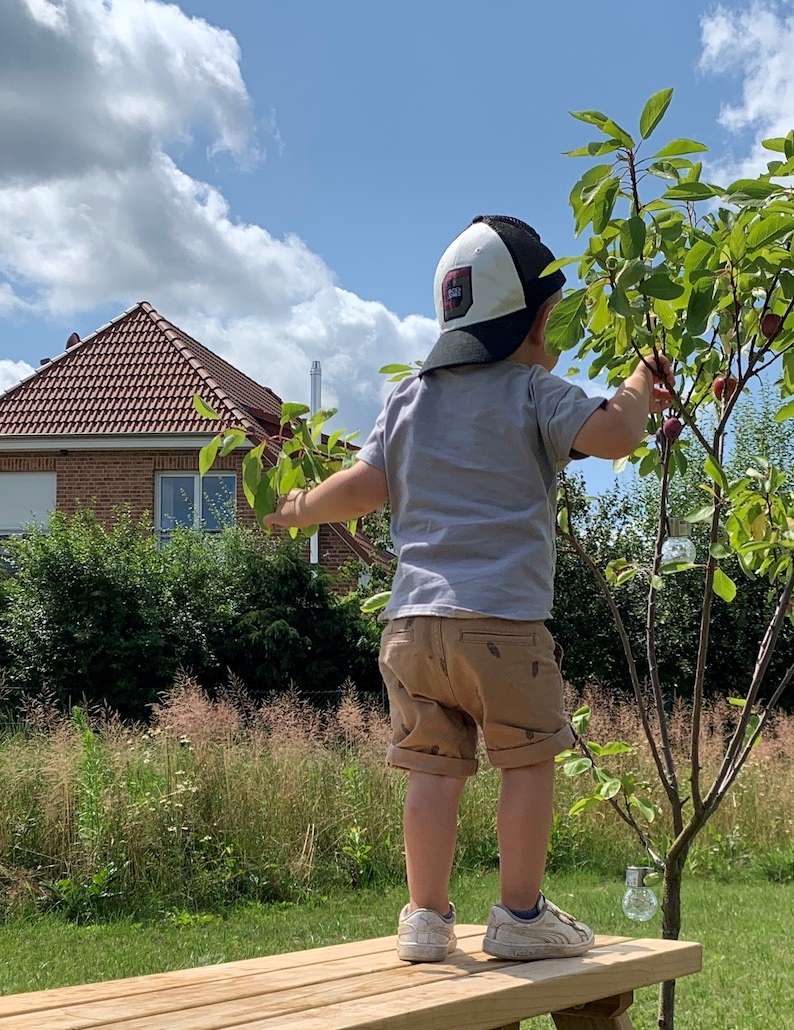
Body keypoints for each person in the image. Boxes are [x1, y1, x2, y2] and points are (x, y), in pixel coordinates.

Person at [265, 214, 670, 962]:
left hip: (411, 626)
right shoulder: (530, 390)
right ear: (539, 317)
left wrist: (300, 509)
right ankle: (520, 915)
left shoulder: (410, 398)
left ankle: (425, 917)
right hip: (503, 623)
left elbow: (360, 486)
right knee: (528, 759)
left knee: (432, 767)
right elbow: (616, 434)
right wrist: (641, 383)